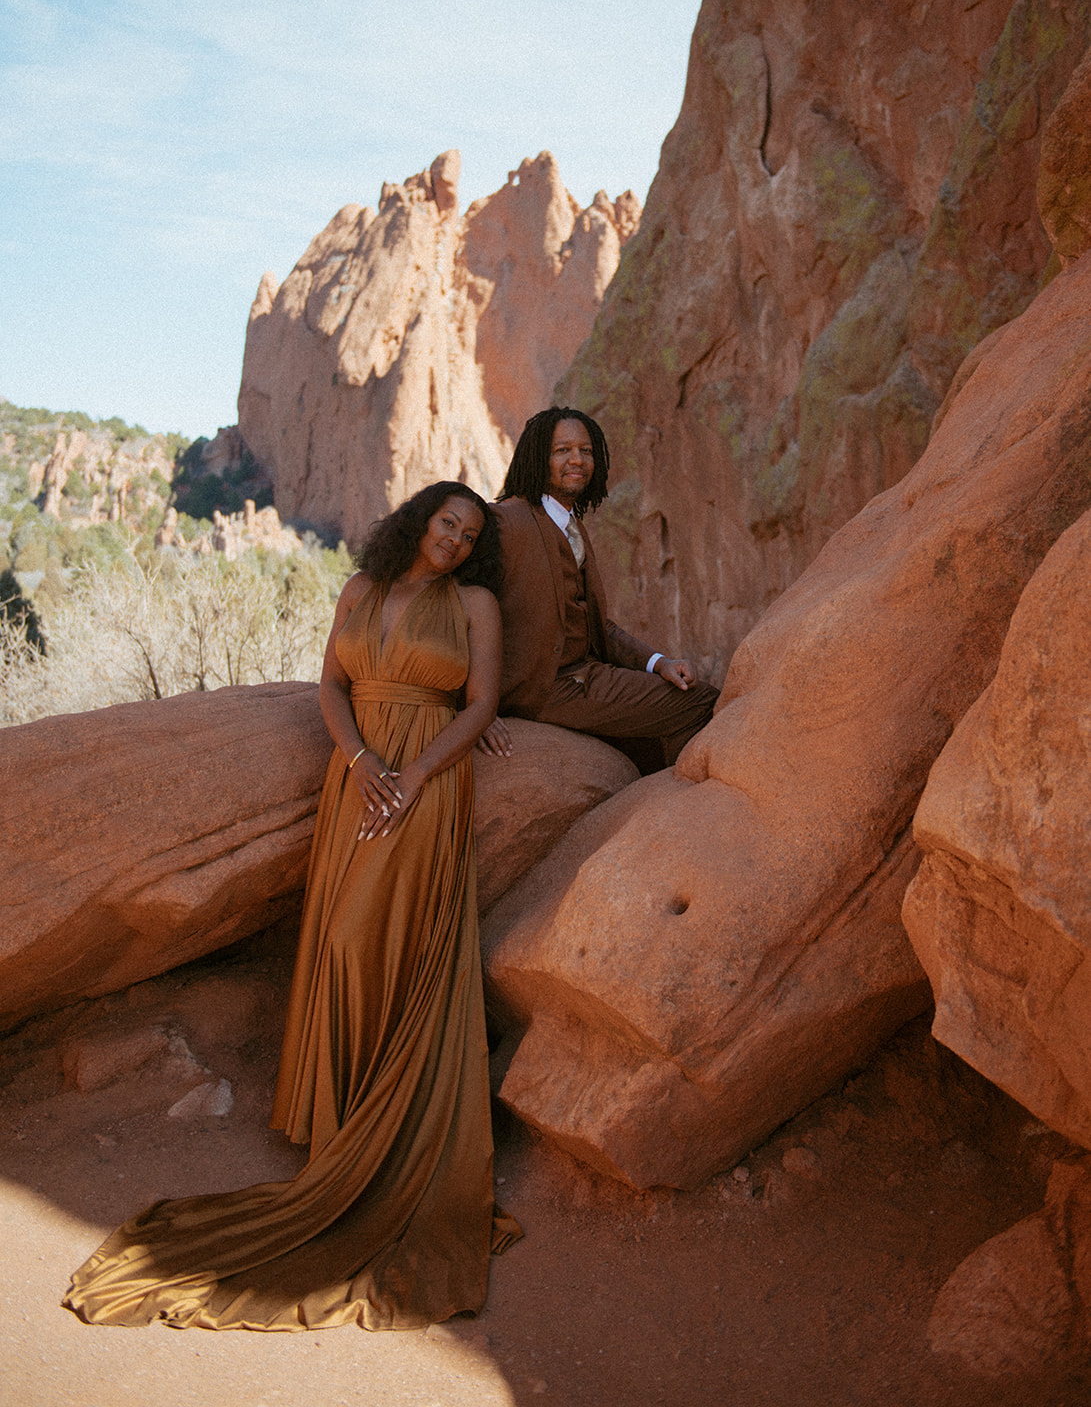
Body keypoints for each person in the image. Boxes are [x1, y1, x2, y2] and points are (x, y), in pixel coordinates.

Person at [64, 482, 520, 1333]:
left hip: (424, 784)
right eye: (445, 522)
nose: (454, 540)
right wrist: (357, 762)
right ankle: (341, 1123)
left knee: (373, 940)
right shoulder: (361, 588)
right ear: (419, 519)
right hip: (359, 781)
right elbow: (330, 687)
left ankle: (376, 1136)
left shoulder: (477, 603)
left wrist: (415, 776)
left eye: (468, 534)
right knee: (342, 940)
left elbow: (483, 703)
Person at [482, 407, 718, 768]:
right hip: (548, 687)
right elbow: (464, 608)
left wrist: (658, 663)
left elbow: (595, 622)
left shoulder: (570, 524)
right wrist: (476, 706)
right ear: (537, 457)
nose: (577, 460)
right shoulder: (506, 521)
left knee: (656, 734)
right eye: (562, 450)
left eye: (586, 451)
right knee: (699, 702)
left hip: (584, 676)